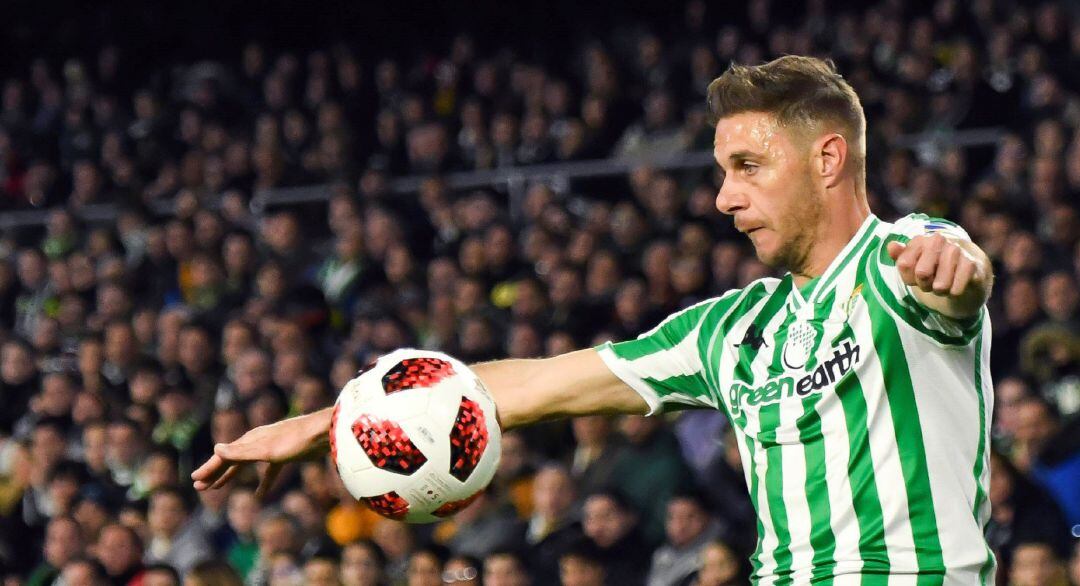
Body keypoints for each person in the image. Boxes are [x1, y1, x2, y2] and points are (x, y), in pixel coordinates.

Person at [193, 55, 997, 583]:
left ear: (828, 159)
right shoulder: (730, 329)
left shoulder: (905, 261)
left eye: (748, 167)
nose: (724, 197)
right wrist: (328, 423)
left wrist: (957, 275)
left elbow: (954, 279)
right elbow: (530, 386)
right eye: (721, 173)